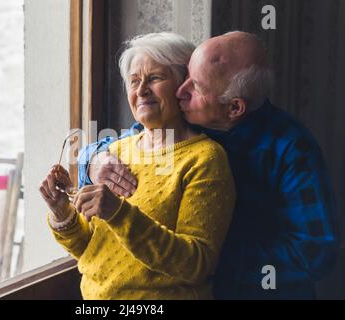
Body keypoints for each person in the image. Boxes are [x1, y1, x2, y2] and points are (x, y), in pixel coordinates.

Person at [79, 31, 337, 299]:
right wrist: (92, 162)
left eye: (195, 86)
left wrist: (210, 257)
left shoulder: (291, 147)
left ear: (234, 108)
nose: (180, 91)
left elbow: (316, 253)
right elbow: (122, 142)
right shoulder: (184, 121)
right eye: (185, 76)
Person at [39, 32, 236, 300]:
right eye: (134, 81)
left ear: (183, 86)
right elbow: (90, 249)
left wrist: (119, 213)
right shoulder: (115, 153)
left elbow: (196, 265)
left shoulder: (205, 159)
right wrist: (60, 211)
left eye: (154, 78)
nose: (141, 90)